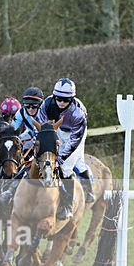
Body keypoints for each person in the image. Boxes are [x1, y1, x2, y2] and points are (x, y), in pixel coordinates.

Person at [37, 78, 94, 220]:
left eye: (66, 100)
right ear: (54, 96)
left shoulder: (78, 113)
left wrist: (60, 157)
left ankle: (68, 206)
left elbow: (74, 141)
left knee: (66, 167)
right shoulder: (47, 104)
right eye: (58, 98)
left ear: (71, 99)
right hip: (58, 130)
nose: (61, 102)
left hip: (76, 134)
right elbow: (40, 126)